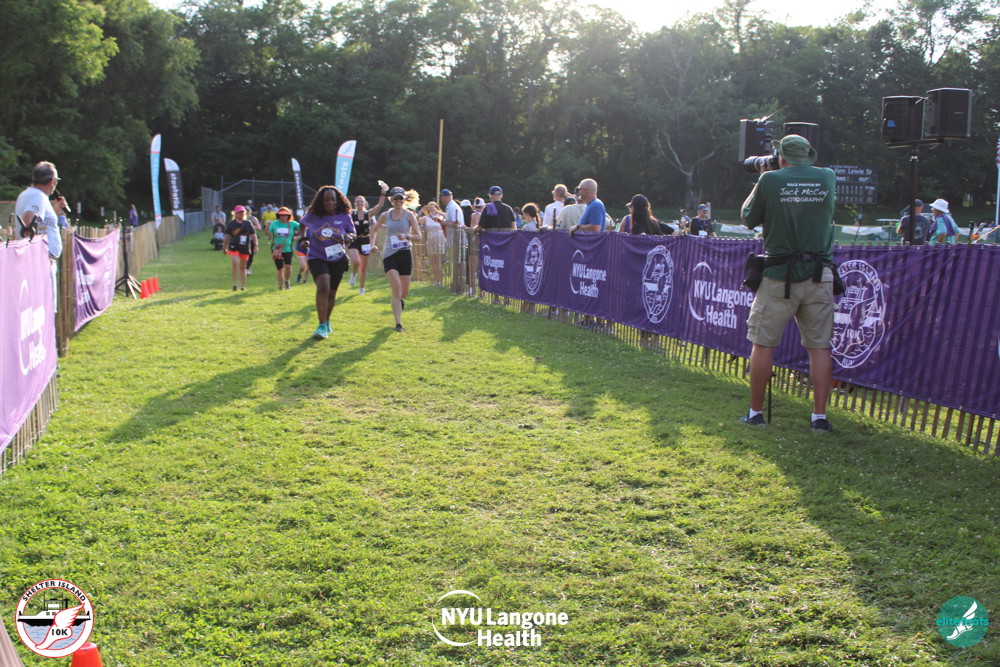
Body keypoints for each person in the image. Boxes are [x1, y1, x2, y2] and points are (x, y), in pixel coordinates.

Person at [741, 134, 836, 432]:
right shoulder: (827, 177)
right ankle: (819, 417)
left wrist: (761, 179)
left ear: (781, 157)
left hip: (779, 275)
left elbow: (748, 218)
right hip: (819, 274)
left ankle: (756, 413)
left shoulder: (770, 180)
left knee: (763, 343)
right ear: (808, 156)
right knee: (819, 347)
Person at [299, 186, 356, 339]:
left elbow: (353, 233)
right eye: (326, 200)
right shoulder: (314, 215)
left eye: (332, 200)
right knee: (323, 285)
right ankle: (321, 326)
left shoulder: (344, 216)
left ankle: (326, 321)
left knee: (331, 293)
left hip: (337, 258)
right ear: (321, 201)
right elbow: (302, 224)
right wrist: (303, 238)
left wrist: (349, 237)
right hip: (317, 256)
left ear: (338, 201)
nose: (330, 202)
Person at [15, 161, 66, 310]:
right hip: (41, 261)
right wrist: (38, 254)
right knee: (46, 310)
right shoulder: (38, 196)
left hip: (36, 260)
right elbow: (28, 222)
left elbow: (40, 222)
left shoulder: (28, 194)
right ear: (51, 181)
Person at [371, 187, 421, 331]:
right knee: (396, 288)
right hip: (389, 254)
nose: (398, 201)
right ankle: (398, 324)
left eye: (401, 198)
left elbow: (419, 236)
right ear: (391, 200)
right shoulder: (385, 215)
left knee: (403, 293)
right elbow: (374, 230)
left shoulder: (409, 215)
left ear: (404, 200)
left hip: (405, 253)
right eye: (396, 198)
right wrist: (372, 245)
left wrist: (407, 236)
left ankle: (398, 302)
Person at [348, 183, 388, 294]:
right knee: (356, 261)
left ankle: (361, 288)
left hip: (365, 241)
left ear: (365, 203)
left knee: (363, 267)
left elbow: (379, 205)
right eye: (357, 202)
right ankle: (353, 274)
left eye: (361, 201)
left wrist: (383, 192)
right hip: (354, 240)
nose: (359, 203)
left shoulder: (368, 213)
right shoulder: (351, 213)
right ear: (354, 203)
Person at [223, 205, 257, 291]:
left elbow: (253, 235)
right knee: (235, 263)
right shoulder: (231, 223)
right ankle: (235, 284)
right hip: (234, 246)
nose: (241, 214)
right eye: (239, 212)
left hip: (245, 247)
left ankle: (243, 286)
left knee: (243, 267)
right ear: (235, 213)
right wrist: (224, 247)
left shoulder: (248, 223)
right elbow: (227, 237)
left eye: (242, 212)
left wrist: (256, 246)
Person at [269, 206, 300, 290]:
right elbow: (268, 232)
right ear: (278, 215)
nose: (283, 217)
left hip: (288, 249)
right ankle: (280, 286)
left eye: (285, 215)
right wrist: (267, 227)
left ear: (288, 216)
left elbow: (303, 227)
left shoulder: (293, 224)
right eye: (281, 215)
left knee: (288, 266)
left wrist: (298, 237)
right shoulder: (275, 223)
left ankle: (287, 281)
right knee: (280, 268)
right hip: (276, 249)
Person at [421, 202, 448, 287]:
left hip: (439, 239)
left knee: (438, 261)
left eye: (434, 208)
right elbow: (416, 220)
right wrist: (421, 211)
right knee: (432, 262)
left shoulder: (439, 217)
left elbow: (447, 216)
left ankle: (439, 281)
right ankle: (435, 280)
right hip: (430, 240)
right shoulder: (426, 217)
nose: (432, 210)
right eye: (430, 208)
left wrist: (437, 211)